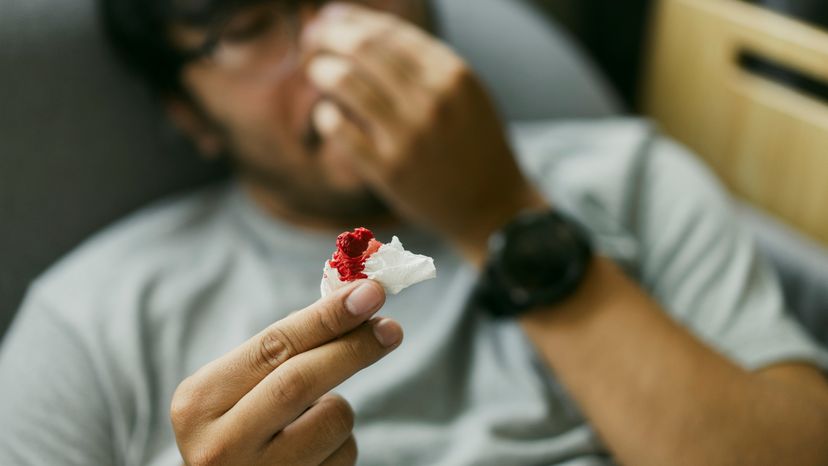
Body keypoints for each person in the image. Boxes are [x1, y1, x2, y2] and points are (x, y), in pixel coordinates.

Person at [1, 1, 827, 465]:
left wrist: (502, 212)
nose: (331, 41)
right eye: (251, 23)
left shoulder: (635, 175)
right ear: (190, 117)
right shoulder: (89, 324)